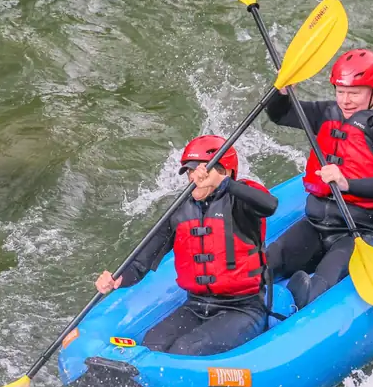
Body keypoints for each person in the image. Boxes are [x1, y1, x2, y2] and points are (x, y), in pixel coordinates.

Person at [264, 48, 373, 310]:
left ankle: (299, 300)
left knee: (319, 294)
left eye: (354, 93)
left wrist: (346, 183)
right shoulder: (327, 112)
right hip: (317, 224)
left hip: (362, 231)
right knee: (261, 267)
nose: (346, 100)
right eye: (340, 92)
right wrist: (280, 90)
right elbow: (280, 114)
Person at [94, 135, 278, 356]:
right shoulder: (179, 211)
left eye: (200, 172)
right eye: (190, 172)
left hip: (244, 308)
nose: (194, 178)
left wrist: (223, 184)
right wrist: (117, 279)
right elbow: (140, 263)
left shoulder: (240, 201)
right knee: (153, 343)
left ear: (225, 171)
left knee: (186, 348)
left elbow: (269, 205)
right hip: (197, 305)